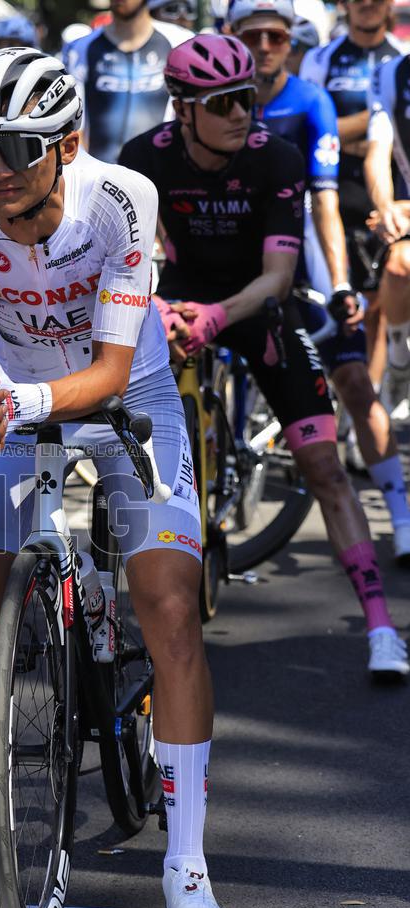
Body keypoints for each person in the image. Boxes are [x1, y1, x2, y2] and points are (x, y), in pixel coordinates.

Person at [0, 47, 229, 908]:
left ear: (67, 142)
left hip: (132, 407)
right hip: (19, 407)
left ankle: (186, 862)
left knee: (167, 607)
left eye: (16, 147)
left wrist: (18, 397)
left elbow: (115, 369)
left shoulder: (120, 198)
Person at [119, 34, 409, 672]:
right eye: (222, 104)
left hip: (257, 304)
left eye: (245, 98)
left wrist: (221, 314)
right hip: (176, 300)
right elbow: (130, 260)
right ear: (183, 108)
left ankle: (382, 627)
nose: (241, 114)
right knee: (117, 441)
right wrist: (160, 308)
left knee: (325, 466)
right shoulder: (143, 158)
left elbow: (277, 278)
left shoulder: (275, 158)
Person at [227, 0, 410, 561]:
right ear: (231, 36)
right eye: (250, 36)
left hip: (301, 245)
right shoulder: (199, 96)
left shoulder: (310, 100)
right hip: (228, 251)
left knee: (354, 380)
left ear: (291, 42)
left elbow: (324, 199)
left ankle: (402, 517)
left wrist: (339, 283)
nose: (262, 48)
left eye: (275, 37)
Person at [300, 0, 405, 402]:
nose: (366, 4)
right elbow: (313, 124)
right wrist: (376, 120)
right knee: (336, 302)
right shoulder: (320, 57)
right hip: (331, 192)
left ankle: (370, 395)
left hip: (383, 193)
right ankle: (334, 394)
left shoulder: (400, 59)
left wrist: (346, 132)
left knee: (377, 304)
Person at [61, 0, 193, 163]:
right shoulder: (81, 48)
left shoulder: (179, 42)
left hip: (162, 173)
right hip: (101, 178)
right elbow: (73, 125)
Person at [365, 50, 410, 420]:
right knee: (398, 266)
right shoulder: (391, 73)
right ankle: (399, 365)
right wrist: (388, 206)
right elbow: (378, 152)